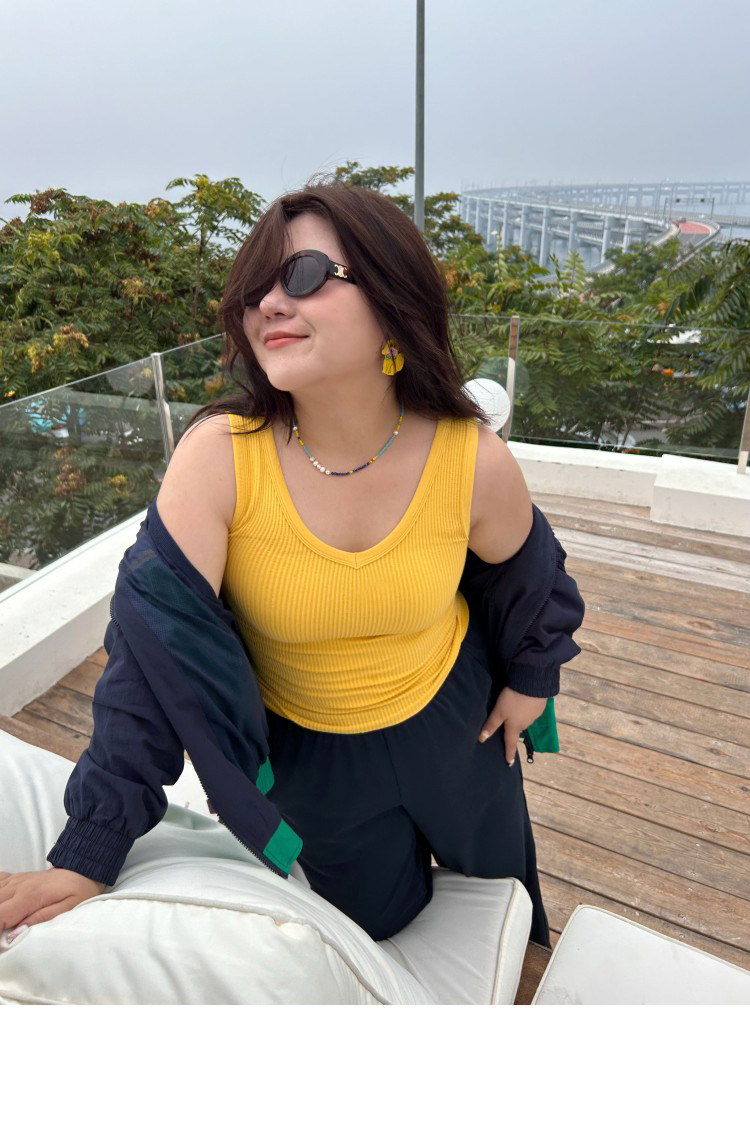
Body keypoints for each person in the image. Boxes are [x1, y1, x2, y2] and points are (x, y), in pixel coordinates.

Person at [0, 179, 583, 948]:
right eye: (254, 288)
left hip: (461, 730)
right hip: (313, 763)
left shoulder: (470, 458)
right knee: (370, 935)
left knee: (506, 909)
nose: (269, 304)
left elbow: (531, 575)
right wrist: (90, 850)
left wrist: (533, 679)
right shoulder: (220, 459)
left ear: (392, 300)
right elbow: (150, 659)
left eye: (304, 276)